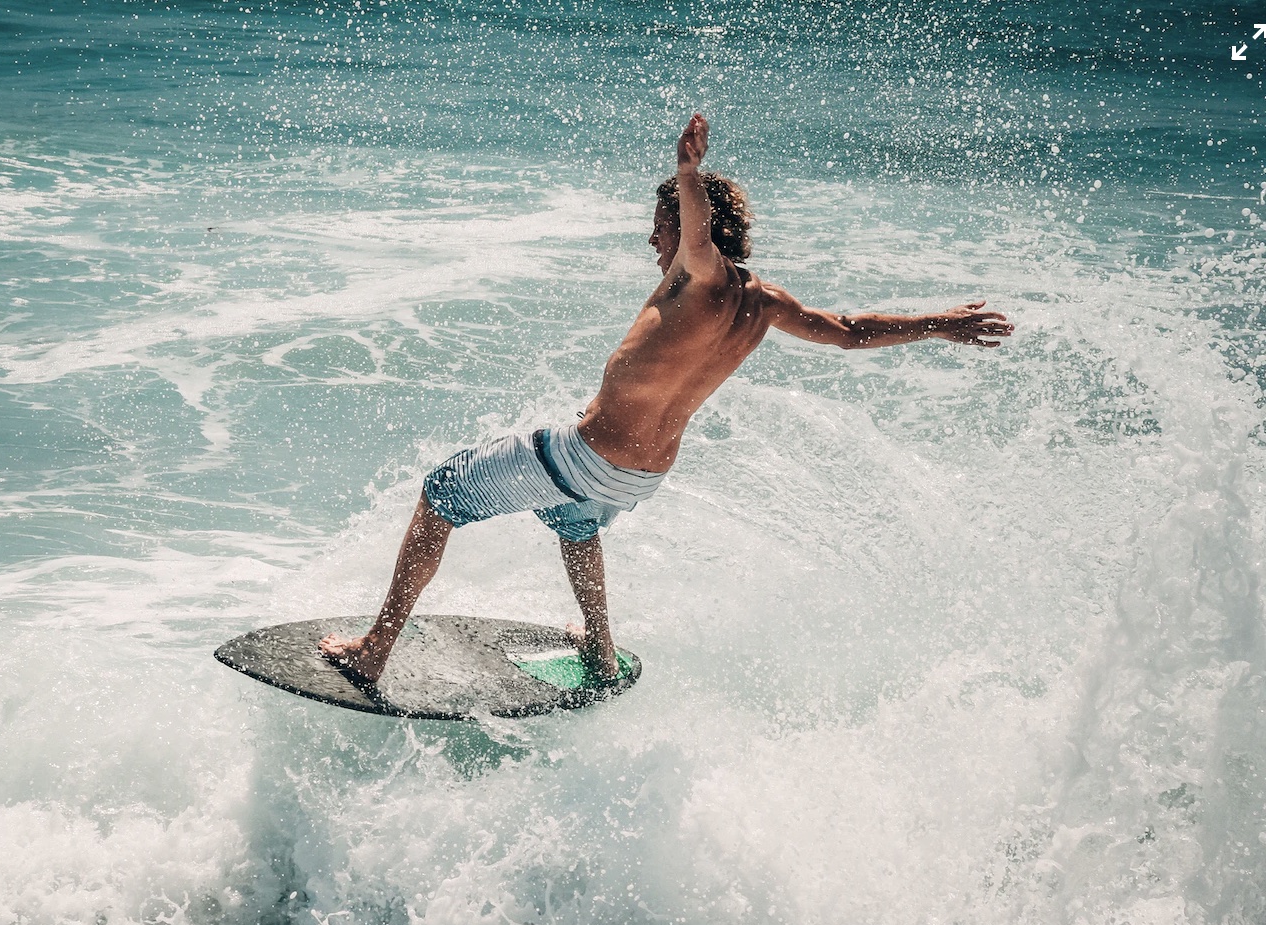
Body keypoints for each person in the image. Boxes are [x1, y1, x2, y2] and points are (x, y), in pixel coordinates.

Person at [320, 113, 1014, 685]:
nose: (652, 237)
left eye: (663, 224)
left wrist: (686, 172)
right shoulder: (766, 302)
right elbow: (850, 332)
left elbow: (698, 235)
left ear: (692, 228)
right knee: (573, 522)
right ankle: (598, 648)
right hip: (638, 479)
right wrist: (939, 323)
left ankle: (374, 651)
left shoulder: (700, 275)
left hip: (588, 458)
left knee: (441, 493)